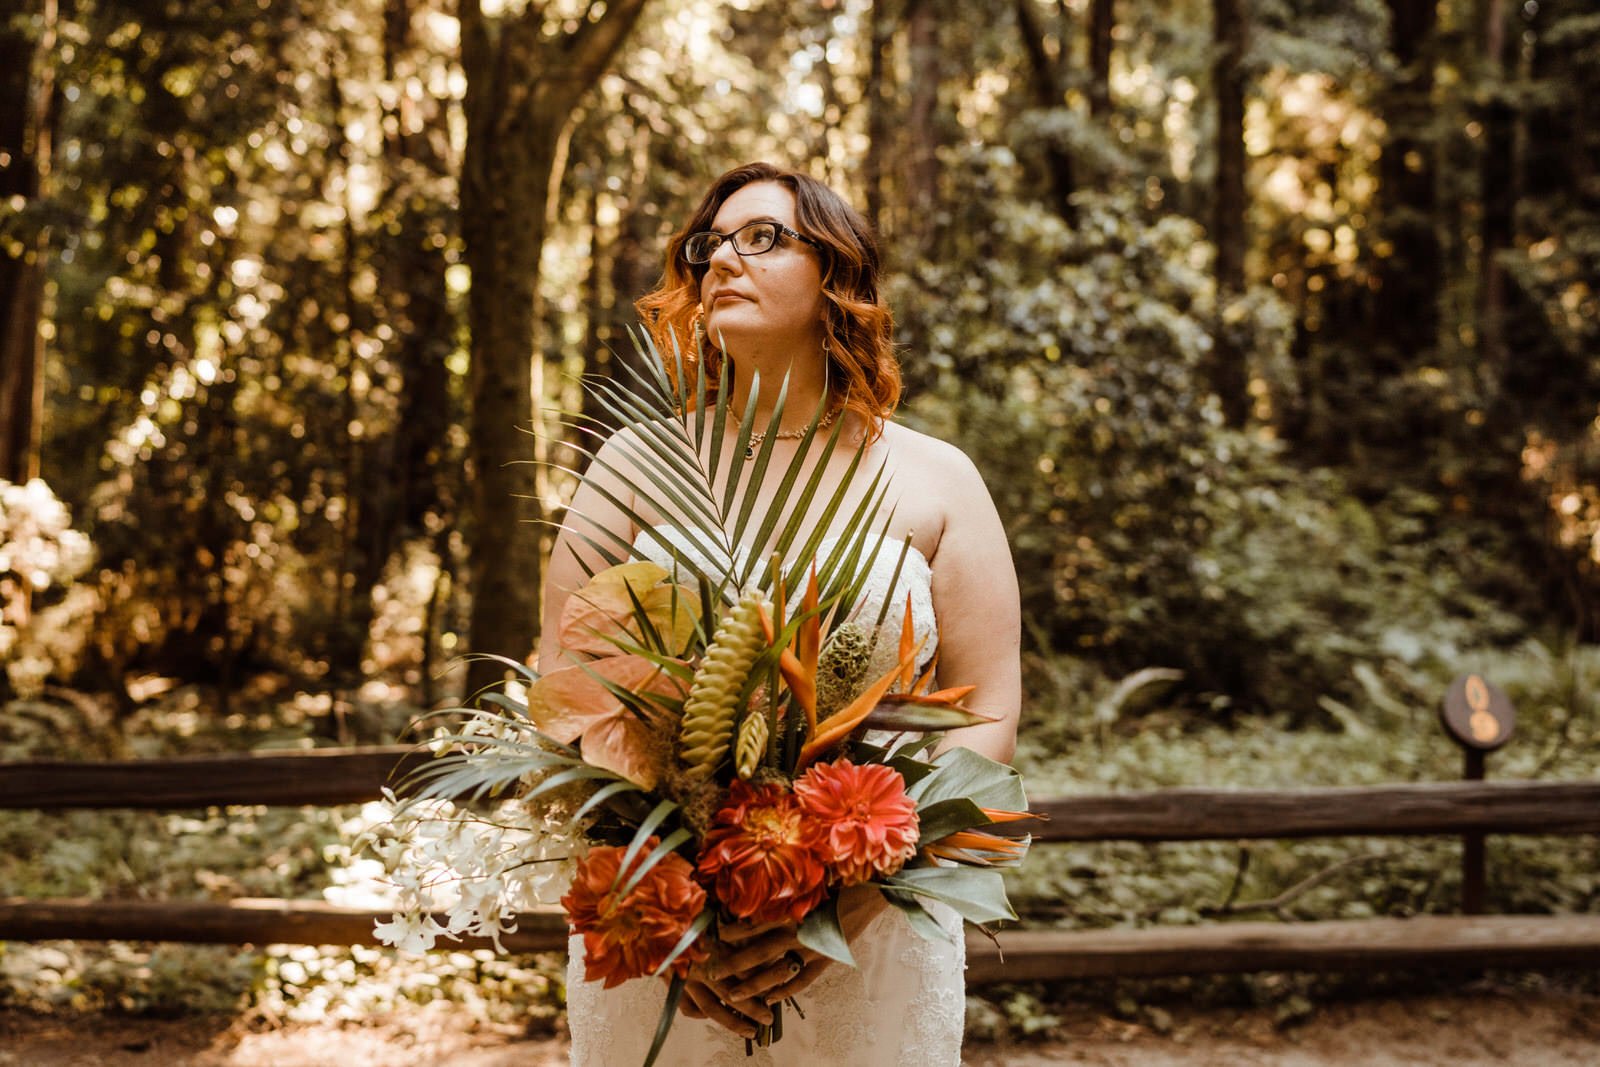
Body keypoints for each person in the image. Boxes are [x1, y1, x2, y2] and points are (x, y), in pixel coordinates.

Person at [538, 161, 1021, 1066]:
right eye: (708, 244)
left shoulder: (938, 479)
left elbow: (990, 707)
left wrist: (854, 896)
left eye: (761, 236)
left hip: (876, 936)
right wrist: (689, 921)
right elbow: (564, 695)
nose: (723, 258)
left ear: (837, 271)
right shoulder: (635, 466)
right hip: (666, 936)